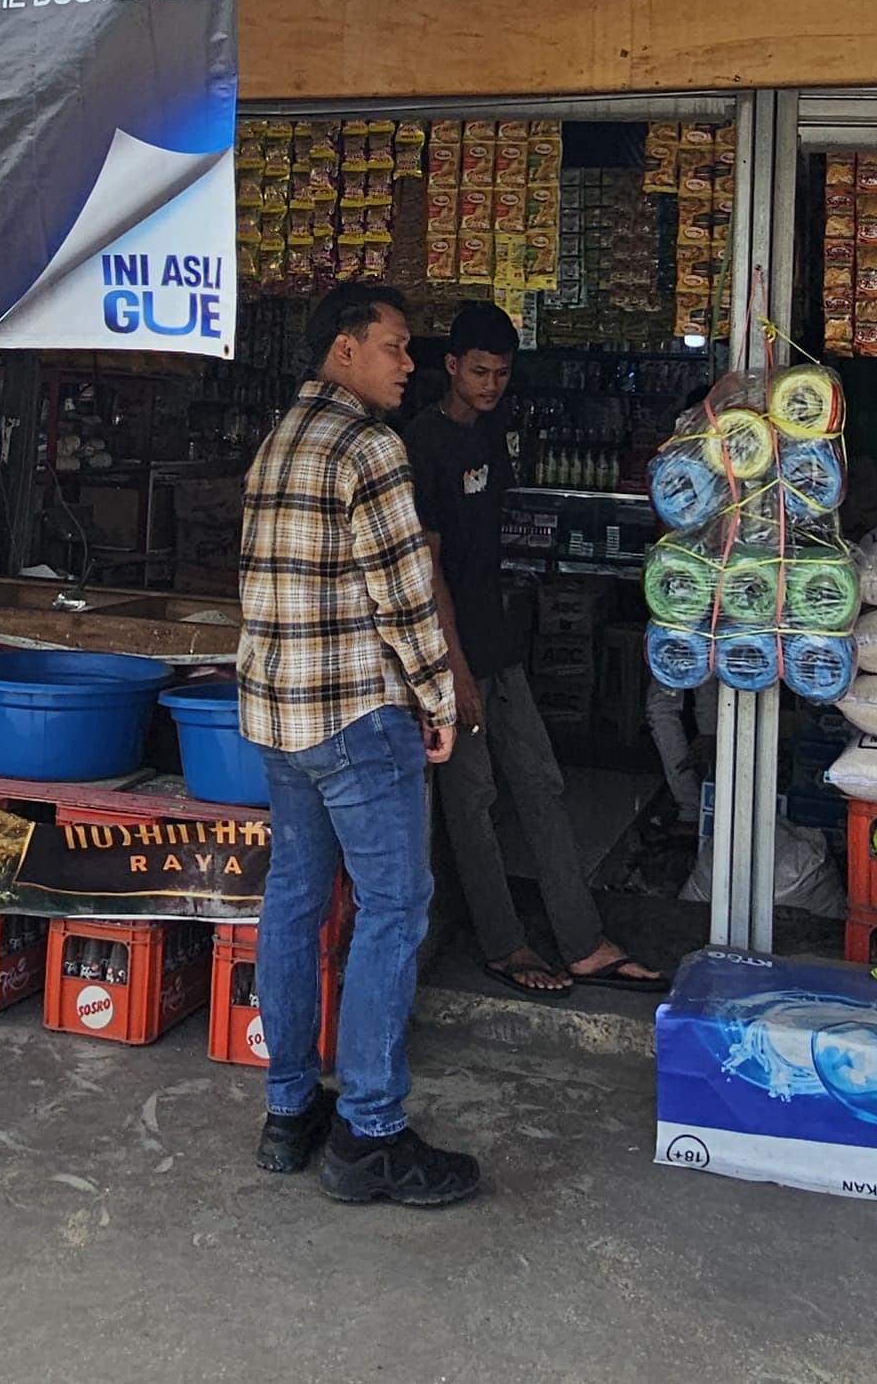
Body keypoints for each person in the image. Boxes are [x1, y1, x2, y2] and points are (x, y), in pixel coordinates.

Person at [235, 280, 484, 1208]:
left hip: (279, 719)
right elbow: (405, 593)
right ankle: (372, 1131)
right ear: (345, 348)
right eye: (396, 346)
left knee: (295, 903)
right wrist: (439, 699)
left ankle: (289, 1112)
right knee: (394, 907)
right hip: (353, 719)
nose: (410, 364)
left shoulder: (279, 439)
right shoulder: (369, 446)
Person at [406, 302, 665, 998]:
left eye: (501, 373)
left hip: (496, 643)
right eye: (479, 372)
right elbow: (428, 570)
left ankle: (582, 943)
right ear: (451, 366)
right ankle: (504, 945)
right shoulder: (421, 444)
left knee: (542, 784)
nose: (491, 385)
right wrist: (455, 671)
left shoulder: (492, 434)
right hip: (449, 654)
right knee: (472, 799)